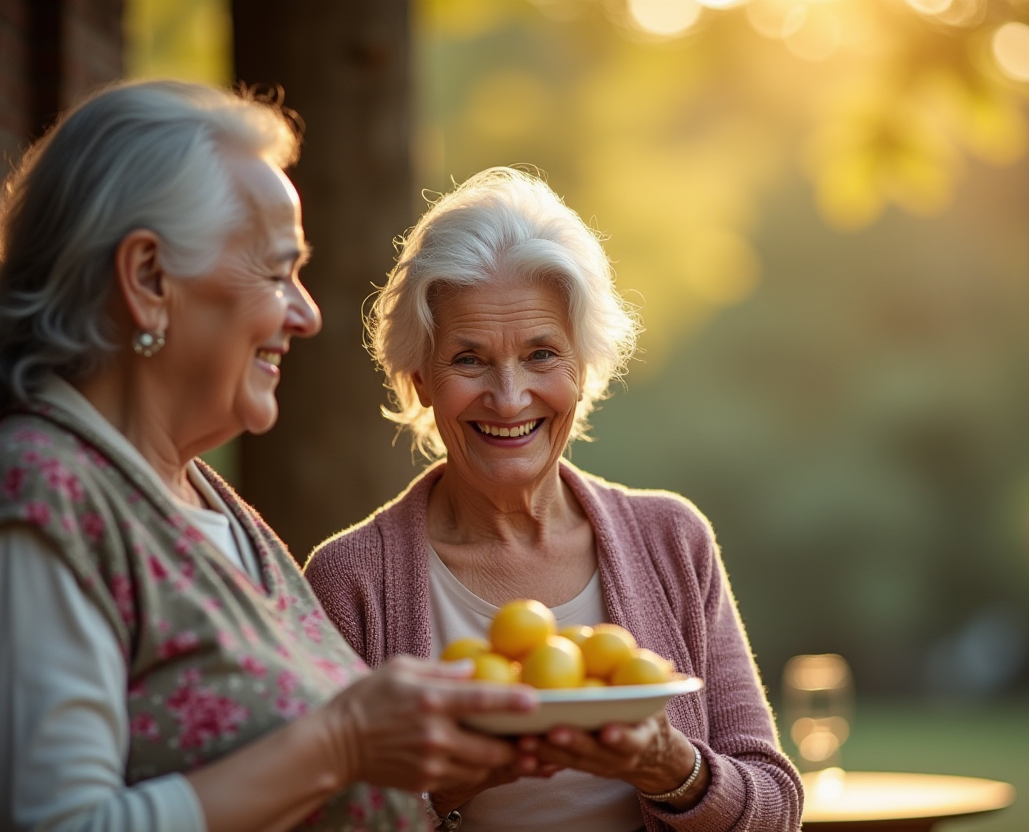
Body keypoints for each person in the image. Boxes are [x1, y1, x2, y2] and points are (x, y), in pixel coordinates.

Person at [0, 81, 539, 832]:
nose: (308, 313)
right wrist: (346, 739)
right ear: (150, 278)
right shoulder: (42, 490)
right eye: (278, 270)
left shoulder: (209, 503)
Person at [304, 167, 804, 832]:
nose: (509, 398)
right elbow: (318, 822)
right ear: (419, 378)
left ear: (583, 367)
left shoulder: (673, 541)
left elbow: (777, 807)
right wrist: (446, 792)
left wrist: (673, 769)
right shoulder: (350, 581)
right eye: (469, 359)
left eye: (542, 354)